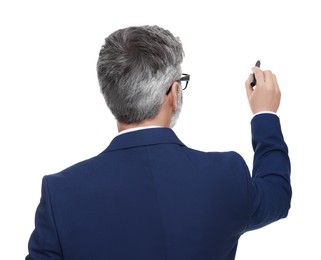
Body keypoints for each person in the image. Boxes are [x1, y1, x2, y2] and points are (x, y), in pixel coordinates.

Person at [26, 25, 292, 260]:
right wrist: (264, 115)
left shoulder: (61, 193)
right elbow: (277, 194)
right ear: (174, 93)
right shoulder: (225, 175)